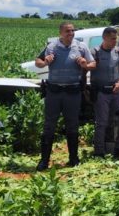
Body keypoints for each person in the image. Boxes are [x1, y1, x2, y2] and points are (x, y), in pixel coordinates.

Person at [35, 22, 95, 170]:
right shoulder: (51, 47)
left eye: (73, 31)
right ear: (60, 32)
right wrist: (44, 62)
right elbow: (38, 61)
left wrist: (85, 64)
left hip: (72, 92)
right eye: (68, 31)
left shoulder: (81, 47)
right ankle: (44, 161)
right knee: (49, 126)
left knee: (72, 125)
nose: (71, 33)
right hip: (54, 92)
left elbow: (93, 63)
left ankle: (73, 159)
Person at [91, 27, 119, 158]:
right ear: (104, 38)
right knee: (102, 123)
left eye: (116, 38)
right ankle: (99, 151)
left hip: (116, 92)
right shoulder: (95, 52)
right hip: (101, 93)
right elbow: (85, 69)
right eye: (113, 39)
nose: (115, 41)